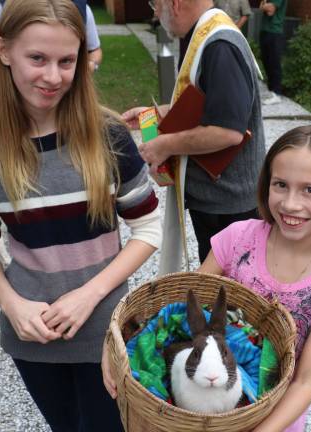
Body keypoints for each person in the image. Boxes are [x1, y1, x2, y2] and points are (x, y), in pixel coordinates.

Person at [0, 1, 162, 431]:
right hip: (31, 339)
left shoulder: (109, 137)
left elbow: (148, 227)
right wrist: (11, 305)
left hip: (106, 334)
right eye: (38, 58)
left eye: (67, 61)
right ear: (4, 51)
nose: (53, 77)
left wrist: (88, 295)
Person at [198, 125, 311, 431]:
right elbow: (185, 306)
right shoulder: (236, 239)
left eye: (310, 190)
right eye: (281, 185)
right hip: (207, 403)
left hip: (274, 419)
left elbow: (305, 382)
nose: (290, 204)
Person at [123, 0, 265, 271]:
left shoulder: (219, 45)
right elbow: (207, 104)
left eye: (155, 3)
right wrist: (158, 114)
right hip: (217, 197)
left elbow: (227, 131)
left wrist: (164, 144)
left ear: (174, 3)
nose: (154, 12)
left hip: (229, 205)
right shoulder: (207, 34)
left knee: (228, 291)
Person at [0, 0, 103, 74]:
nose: (53, 78)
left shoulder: (81, 10)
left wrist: (91, 64)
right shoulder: (4, 10)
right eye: (36, 58)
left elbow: (94, 50)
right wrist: (5, 92)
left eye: (65, 60)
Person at [259, 0, 287, 105]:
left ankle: (277, 93)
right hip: (265, 31)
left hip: (274, 32)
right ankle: (271, 91)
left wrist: (264, 6)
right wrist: (264, 6)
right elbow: (262, 6)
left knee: (274, 62)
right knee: (266, 60)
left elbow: (270, 10)